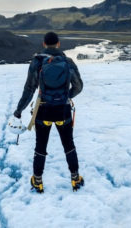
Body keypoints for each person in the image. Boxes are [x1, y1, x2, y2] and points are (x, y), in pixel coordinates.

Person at [12, 31, 84, 193]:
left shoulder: (37, 62)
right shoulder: (68, 62)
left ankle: (37, 181)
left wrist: (19, 110)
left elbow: (29, 89)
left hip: (43, 110)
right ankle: (75, 178)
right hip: (63, 111)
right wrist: (66, 96)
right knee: (68, 145)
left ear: (44, 44)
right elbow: (78, 86)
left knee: (40, 145)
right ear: (58, 44)